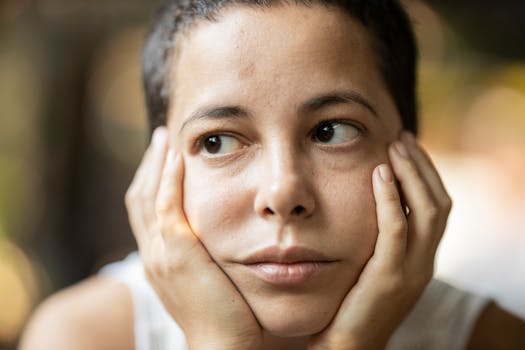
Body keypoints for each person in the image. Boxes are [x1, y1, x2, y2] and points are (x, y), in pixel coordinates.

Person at [20, 0, 525, 349]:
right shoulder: (82, 336)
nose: (283, 192)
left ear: (412, 157)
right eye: (217, 141)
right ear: (157, 172)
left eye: (331, 131)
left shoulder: (491, 340)